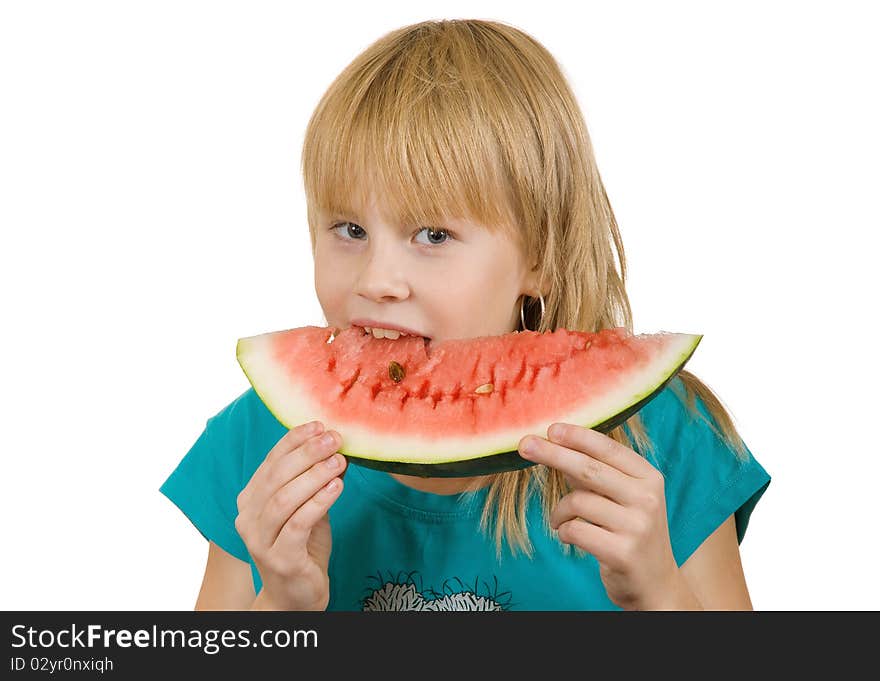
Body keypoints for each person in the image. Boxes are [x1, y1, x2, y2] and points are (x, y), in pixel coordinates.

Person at [159, 18, 771, 611]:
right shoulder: (257, 443)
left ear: (540, 254)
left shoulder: (670, 440)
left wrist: (659, 597)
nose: (377, 280)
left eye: (432, 234)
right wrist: (283, 606)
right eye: (349, 229)